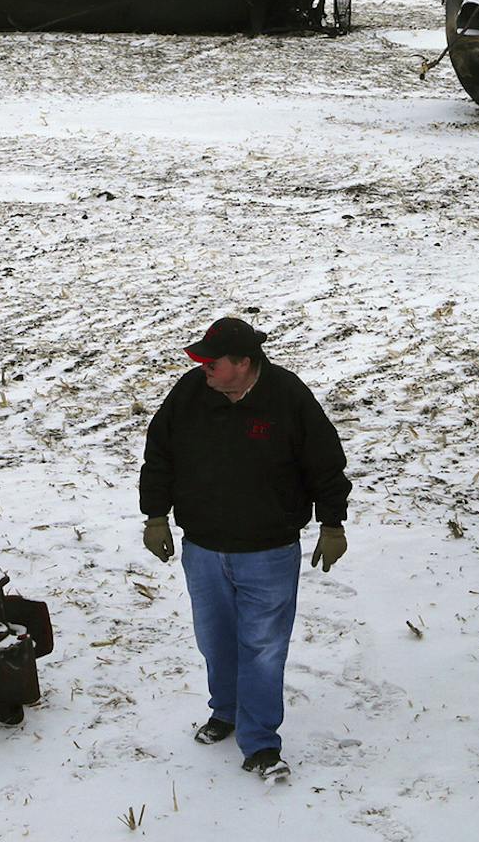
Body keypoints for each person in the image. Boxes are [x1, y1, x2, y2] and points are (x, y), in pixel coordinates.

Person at [138, 316, 350, 783]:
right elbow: (159, 454)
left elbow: (325, 463)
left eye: (212, 363)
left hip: (268, 551)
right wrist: (154, 516)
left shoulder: (288, 397)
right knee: (215, 640)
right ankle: (227, 711)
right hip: (203, 548)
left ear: (243, 363)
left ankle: (260, 743)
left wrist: (332, 524)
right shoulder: (190, 393)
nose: (204, 370)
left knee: (262, 649)